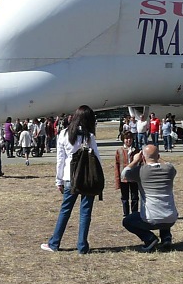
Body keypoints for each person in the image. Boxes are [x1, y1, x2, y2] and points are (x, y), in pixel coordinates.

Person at [41, 105, 101, 254]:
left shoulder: (64, 134)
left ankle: (54, 243)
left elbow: (60, 160)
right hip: (87, 178)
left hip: (70, 177)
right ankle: (82, 246)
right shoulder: (89, 136)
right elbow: (97, 159)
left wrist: (58, 180)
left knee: (65, 210)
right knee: (85, 212)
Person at [120, 144, 179, 252]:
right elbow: (168, 164)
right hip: (171, 217)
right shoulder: (169, 169)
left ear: (142, 157)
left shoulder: (140, 171)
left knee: (127, 221)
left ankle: (149, 238)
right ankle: (166, 237)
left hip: (151, 219)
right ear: (158, 156)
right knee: (163, 205)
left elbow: (124, 174)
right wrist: (157, 157)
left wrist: (134, 160)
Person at [114, 130, 139, 216]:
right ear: (123, 139)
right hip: (123, 178)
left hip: (134, 178)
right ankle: (126, 214)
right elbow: (116, 166)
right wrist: (117, 180)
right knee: (124, 197)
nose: (128, 140)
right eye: (126, 138)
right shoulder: (119, 151)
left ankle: (134, 214)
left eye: (130, 138)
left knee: (135, 197)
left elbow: (141, 164)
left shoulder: (137, 150)